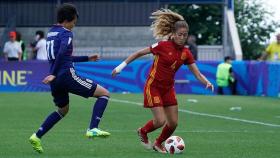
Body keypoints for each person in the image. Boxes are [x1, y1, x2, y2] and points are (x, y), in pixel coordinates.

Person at [112, 9, 214, 154]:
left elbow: (196, 73)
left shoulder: (186, 53)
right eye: (180, 34)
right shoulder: (162, 45)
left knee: (173, 123)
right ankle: (142, 131)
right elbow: (139, 53)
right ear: (173, 34)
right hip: (153, 86)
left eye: (185, 35)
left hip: (168, 89)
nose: (182, 37)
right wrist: (120, 67)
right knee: (160, 121)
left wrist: (206, 82)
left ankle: (158, 143)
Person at [29, 3, 110, 153]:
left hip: (56, 80)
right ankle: (93, 128)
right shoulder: (66, 33)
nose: (74, 24)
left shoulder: (51, 32)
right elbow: (61, 54)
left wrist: (87, 58)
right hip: (66, 75)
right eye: (74, 21)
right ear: (68, 19)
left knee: (62, 110)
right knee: (104, 94)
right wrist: (53, 73)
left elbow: (64, 56)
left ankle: (37, 136)